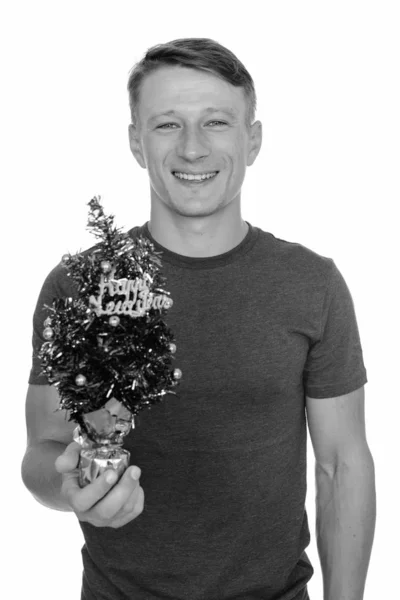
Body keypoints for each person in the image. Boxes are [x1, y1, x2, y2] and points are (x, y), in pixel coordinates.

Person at [22, 38, 376, 600]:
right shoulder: (78, 286)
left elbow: (341, 464)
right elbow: (42, 445)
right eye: (167, 125)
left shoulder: (313, 284)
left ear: (252, 140)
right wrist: (69, 483)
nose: (192, 148)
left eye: (216, 122)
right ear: (137, 142)